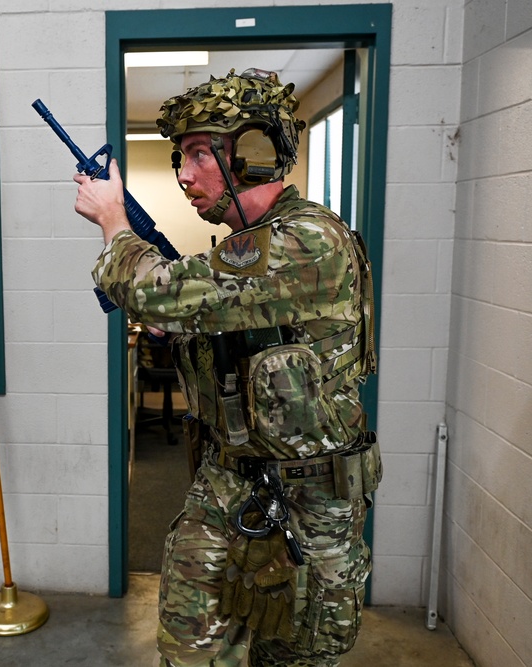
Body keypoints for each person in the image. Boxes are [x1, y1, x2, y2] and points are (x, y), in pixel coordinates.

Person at [73, 69, 381, 666]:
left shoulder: (305, 239)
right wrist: (186, 332)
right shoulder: (249, 244)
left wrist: (114, 224)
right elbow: (214, 314)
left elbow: (163, 290)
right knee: (190, 651)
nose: (184, 175)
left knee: (290, 655)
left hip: (307, 506)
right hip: (229, 482)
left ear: (256, 154)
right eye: (178, 158)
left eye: (196, 155)